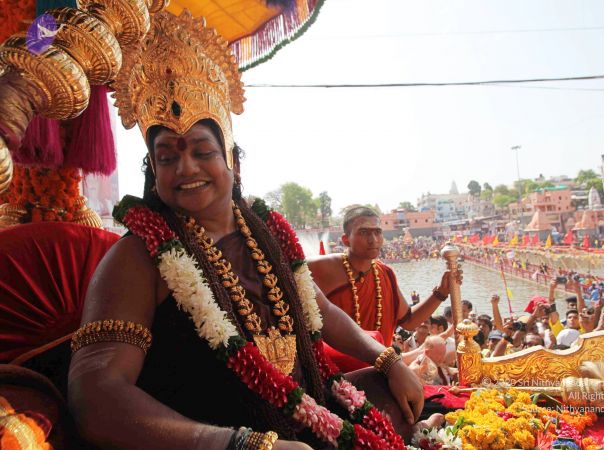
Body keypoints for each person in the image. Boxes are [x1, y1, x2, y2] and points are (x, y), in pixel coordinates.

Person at [67, 11, 433, 449]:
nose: (186, 168)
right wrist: (241, 445)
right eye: (167, 157)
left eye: (202, 151)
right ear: (153, 171)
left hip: (308, 417)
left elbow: (321, 312)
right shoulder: (137, 257)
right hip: (211, 439)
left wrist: (389, 360)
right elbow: (96, 397)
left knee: (406, 403)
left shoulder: (267, 233)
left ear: (233, 162)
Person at [308, 206, 456, 346]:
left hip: (380, 361)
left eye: (377, 232)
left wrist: (441, 293)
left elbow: (408, 321)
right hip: (334, 363)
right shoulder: (322, 268)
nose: (373, 239)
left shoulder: (385, 273)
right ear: (346, 240)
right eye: (363, 232)